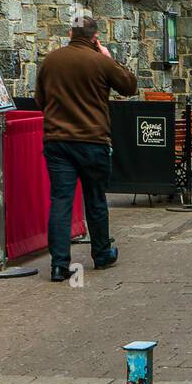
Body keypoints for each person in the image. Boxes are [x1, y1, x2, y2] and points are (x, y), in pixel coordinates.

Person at [35, 16, 137, 282]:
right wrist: (107, 56)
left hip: (57, 142)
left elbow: (40, 100)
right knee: (95, 198)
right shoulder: (100, 61)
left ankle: (59, 265)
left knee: (61, 201)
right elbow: (129, 86)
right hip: (93, 141)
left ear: (70, 32)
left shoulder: (51, 61)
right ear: (94, 38)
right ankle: (101, 254)